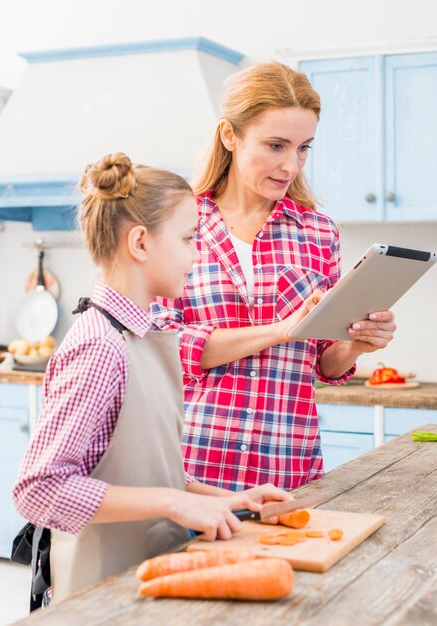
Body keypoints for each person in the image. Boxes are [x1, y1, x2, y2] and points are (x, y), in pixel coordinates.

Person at [13, 153, 289, 605]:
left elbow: (143, 475)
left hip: (144, 580)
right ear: (140, 242)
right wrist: (173, 503)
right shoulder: (99, 346)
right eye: (187, 239)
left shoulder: (141, 337)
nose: (196, 254)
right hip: (101, 597)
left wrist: (233, 498)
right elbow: (38, 489)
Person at [150, 62, 396, 491]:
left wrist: (354, 344)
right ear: (230, 135)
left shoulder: (318, 232)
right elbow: (163, 347)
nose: (291, 165)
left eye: (304, 148)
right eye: (276, 145)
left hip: (288, 467)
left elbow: (321, 361)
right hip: (191, 467)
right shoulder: (179, 222)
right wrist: (280, 331)